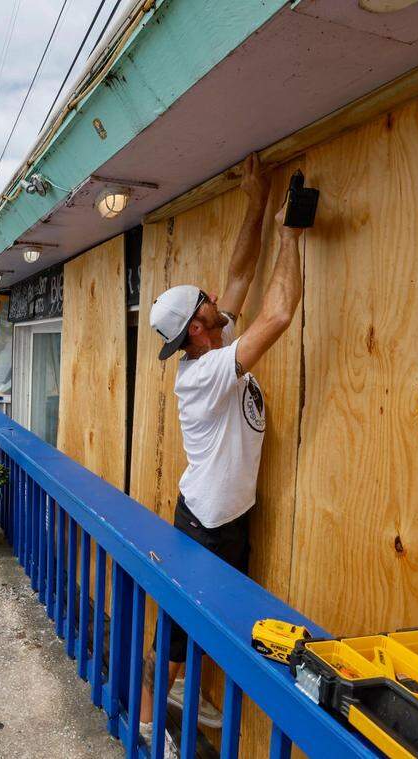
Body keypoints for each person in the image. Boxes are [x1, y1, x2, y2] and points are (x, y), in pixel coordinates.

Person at [139, 154, 305, 753]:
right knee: (176, 638)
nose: (217, 299)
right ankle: (147, 721)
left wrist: (256, 200)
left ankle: (182, 695)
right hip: (207, 523)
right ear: (199, 331)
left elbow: (237, 277)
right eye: (208, 304)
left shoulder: (209, 342)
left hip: (227, 515)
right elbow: (279, 312)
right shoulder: (205, 373)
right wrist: (291, 233)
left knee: (204, 627)